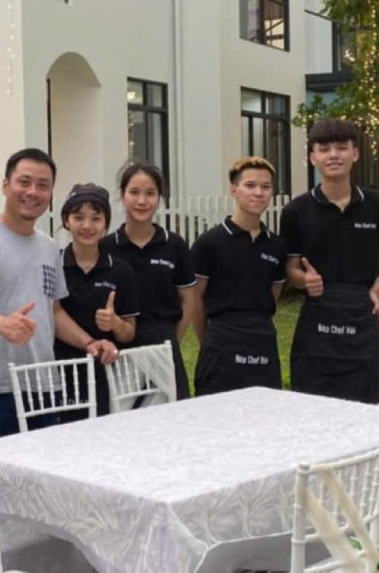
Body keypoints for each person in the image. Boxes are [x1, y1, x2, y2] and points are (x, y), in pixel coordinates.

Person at [0, 148, 117, 439]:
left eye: (43, 185)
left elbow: (54, 311)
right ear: (5, 185)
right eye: (24, 182)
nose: (33, 192)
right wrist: (1, 323)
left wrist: (89, 342)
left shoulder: (49, 247)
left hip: (45, 384)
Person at [280, 119, 379, 403]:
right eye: (324, 149)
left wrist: (376, 288)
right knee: (311, 407)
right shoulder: (296, 211)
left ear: (355, 154)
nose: (334, 155)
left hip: (361, 313)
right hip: (317, 316)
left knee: (365, 406)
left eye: (342, 148)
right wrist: (304, 280)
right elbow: (290, 268)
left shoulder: (378, 205)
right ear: (313, 158)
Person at [100, 163, 196, 400]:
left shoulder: (174, 244)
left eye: (150, 193)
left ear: (159, 198)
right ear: (122, 195)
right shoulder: (106, 247)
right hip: (121, 344)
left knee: (172, 413)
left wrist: (172, 340)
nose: (142, 201)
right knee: (125, 414)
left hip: (163, 343)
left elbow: (188, 299)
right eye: (134, 192)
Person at [191, 157, 287, 395]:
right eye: (250, 185)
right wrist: (209, 340)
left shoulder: (276, 246)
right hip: (221, 345)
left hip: (263, 342)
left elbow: (272, 294)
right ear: (234, 190)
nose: (258, 193)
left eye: (265, 187)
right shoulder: (209, 243)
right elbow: (195, 300)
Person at [56, 183, 139, 415]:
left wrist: (115, 324)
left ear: (106, 224)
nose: (87, 226)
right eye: (78, 217)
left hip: (105, 373)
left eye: (96, 218)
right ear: (66, 221)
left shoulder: (120, 271)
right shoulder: (54, 264)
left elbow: (129, 332)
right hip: (59, 371)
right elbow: (51, 316)